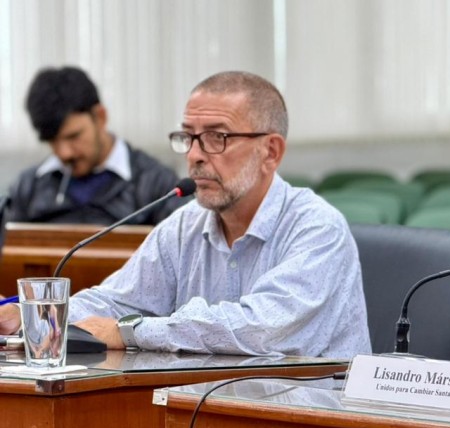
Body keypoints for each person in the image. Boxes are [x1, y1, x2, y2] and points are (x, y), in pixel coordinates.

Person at [0, 71, 371, 358]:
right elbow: (116, 301)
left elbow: (263, 328)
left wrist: (130, 332)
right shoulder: (184, 225)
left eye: (216, 137)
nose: (194, 154)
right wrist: (35, 314)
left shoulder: (318, 229)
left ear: (270, 152)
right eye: (188, 137)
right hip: (214, 422)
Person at [7, 66, 184, 225]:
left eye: (73, 136)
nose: (64, 153)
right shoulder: (28, 187)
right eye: (52, 141)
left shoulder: (157, 185)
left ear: (100, 117)